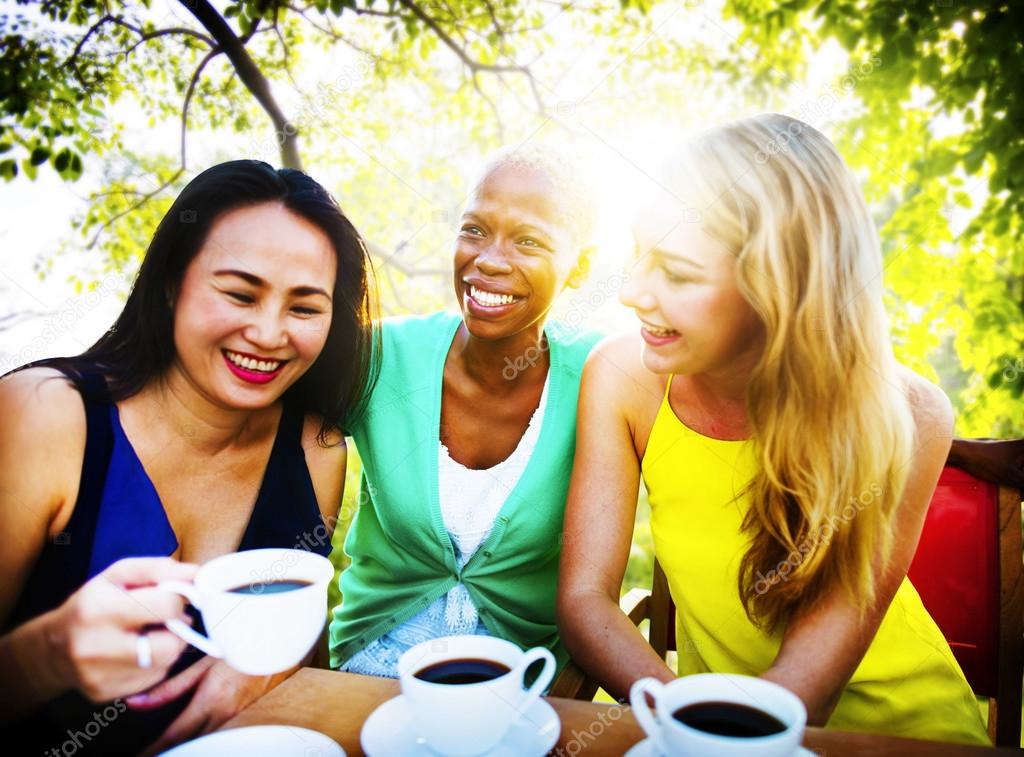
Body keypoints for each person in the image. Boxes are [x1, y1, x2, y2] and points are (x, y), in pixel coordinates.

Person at [557, 115, 990, 744]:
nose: (635, 294)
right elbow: (585, 601)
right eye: (639, 255)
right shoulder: (622, 378)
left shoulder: (910, 415)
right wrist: (681, 718)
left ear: (776, 287)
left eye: (676, 273)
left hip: (905, 734)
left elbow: (806, 687)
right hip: (717, 732)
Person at [0, 160, 378, 755]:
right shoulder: (44, 414)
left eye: (304, 308)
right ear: (174, 281)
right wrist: (51, 653)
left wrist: (274, 665)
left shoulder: (316, 448)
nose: (269, 332)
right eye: (239, 293)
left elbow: (304, 655)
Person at [329, 145, 603, 676]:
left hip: (524, 679)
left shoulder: (601, 375)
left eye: (527, 240)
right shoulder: (379, 358)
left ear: (579, 267)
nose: (490, 259)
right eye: (474, 230)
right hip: (371, 665)